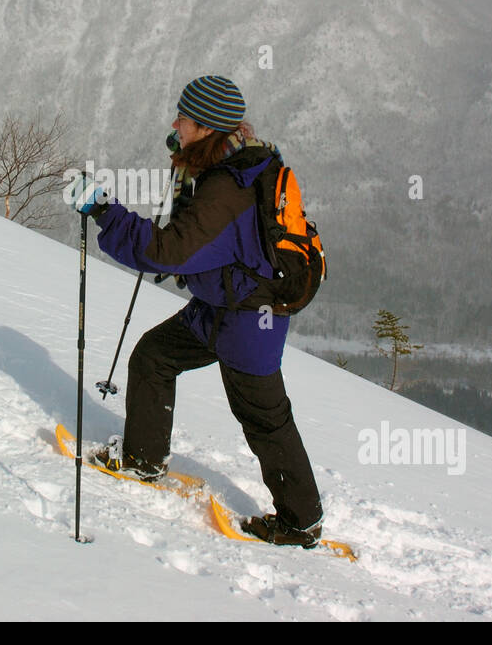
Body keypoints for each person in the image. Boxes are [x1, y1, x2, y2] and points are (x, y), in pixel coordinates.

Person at [64, 75, 324, 548]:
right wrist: (186, 162)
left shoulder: (228, 188)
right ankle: (143, 458)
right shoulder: (235, 160)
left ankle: (299, 523)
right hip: (219, 306)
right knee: (154, 356)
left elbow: (167, 249)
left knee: (265, 417)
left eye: (182, 118)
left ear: (206, 126)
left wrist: (104, 210)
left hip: (249, 320)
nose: (173, 123)